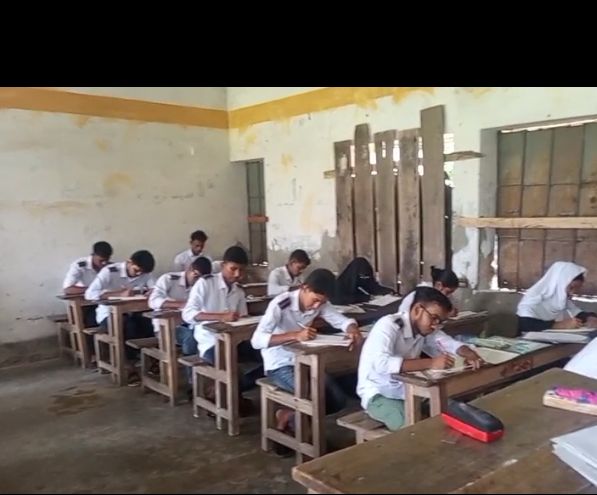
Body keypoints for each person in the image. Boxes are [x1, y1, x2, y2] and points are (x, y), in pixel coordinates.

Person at [357, 286, 482, 431]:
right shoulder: (389, 325)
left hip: (410, 390)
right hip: (380, 394)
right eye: (434, 318)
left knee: (455, 411)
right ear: (417, 310)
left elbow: (446, 342)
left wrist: (467, 352)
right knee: (411, 428)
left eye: (440, 321)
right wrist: (431, 363)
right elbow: (381, 364)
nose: (435, 325)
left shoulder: (424, 329)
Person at [516, 261, 597, 334]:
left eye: (577, 289)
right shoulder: (534, 298)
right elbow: (525, 324)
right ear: (560, 283)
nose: (572, 293)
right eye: (571, 287)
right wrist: (559, 325)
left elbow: (578, 314)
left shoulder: (560, 300)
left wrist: (590, 318)